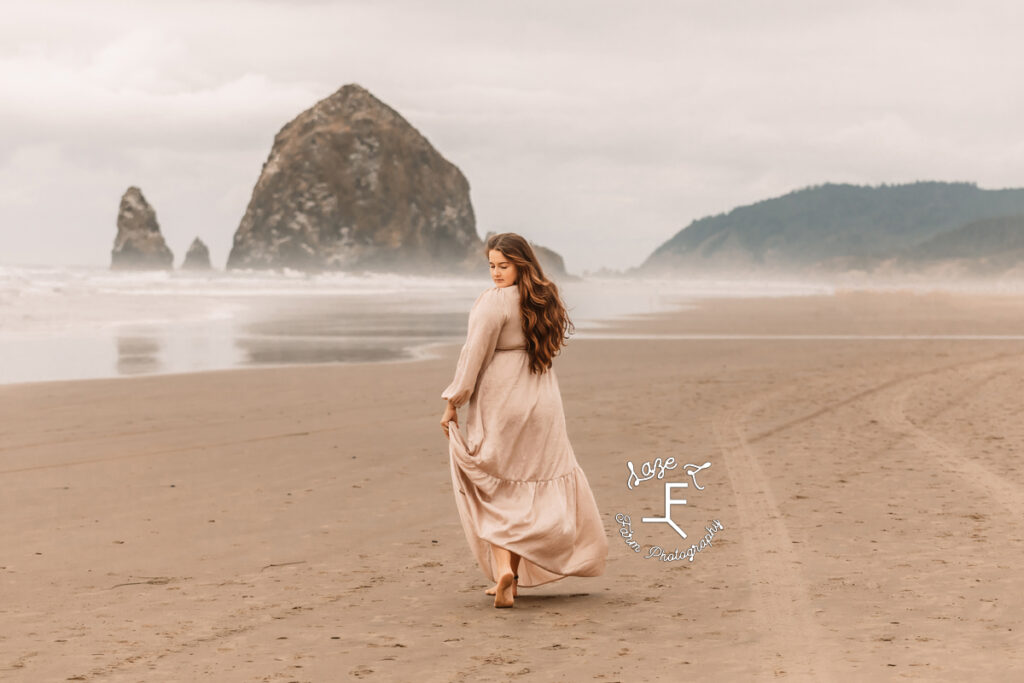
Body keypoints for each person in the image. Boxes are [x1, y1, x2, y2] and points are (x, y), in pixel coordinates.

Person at [439, 232, 608, 608]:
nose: (496, 273)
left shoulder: (493, 302)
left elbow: (473, 356)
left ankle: (503, 569)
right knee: (525, 479)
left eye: (503, 265)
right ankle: (510, 579)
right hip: (542, 396)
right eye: (492, 266)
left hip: (502, 398)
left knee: (497, 485)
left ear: (520, 264)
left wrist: (453, 400)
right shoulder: (544, 298)